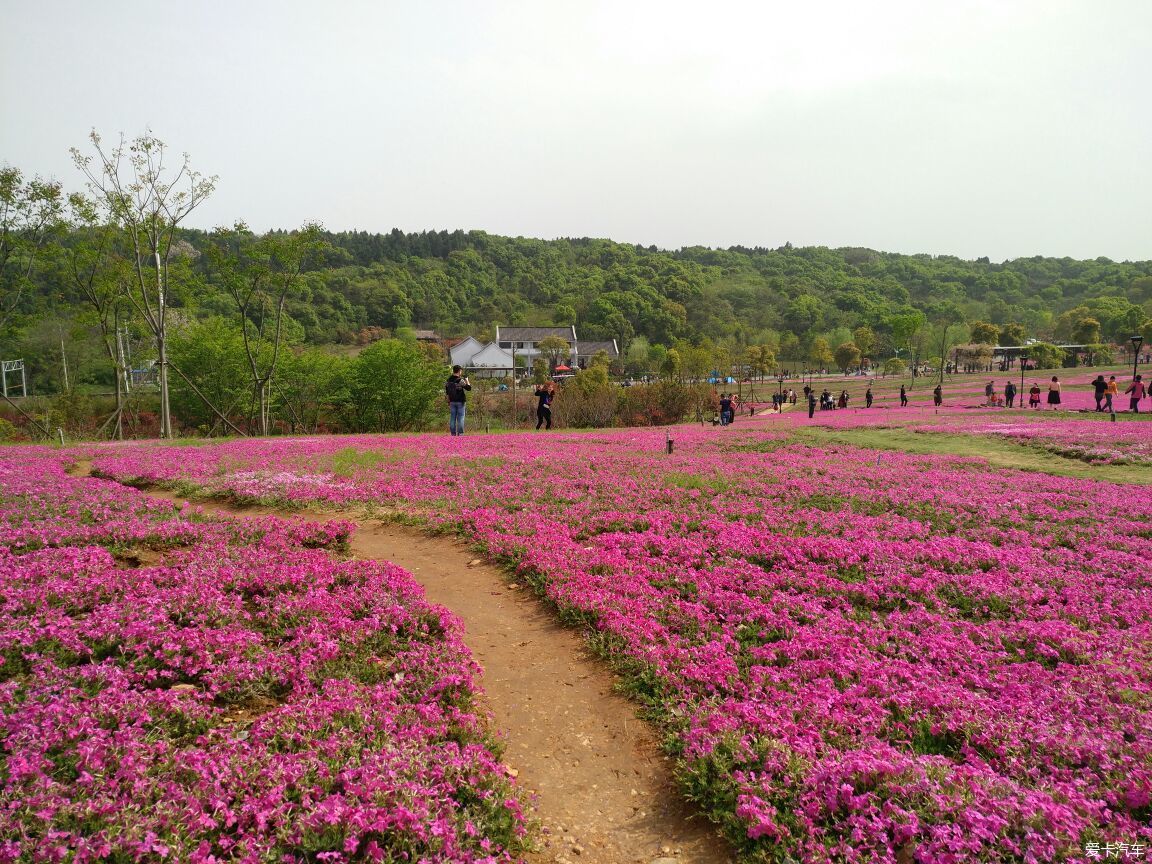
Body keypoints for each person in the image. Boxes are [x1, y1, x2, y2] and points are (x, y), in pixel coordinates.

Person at [446, 365, 472, 436]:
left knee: (452, 418)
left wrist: (448, 401)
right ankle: (460, 434)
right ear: (459, 371)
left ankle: (453, 434)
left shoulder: (448, 380)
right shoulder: (460, 380)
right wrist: (467, 380)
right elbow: (469, 388)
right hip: (460, 401)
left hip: (452, 401)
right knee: (460, 418)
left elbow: (447, 392)